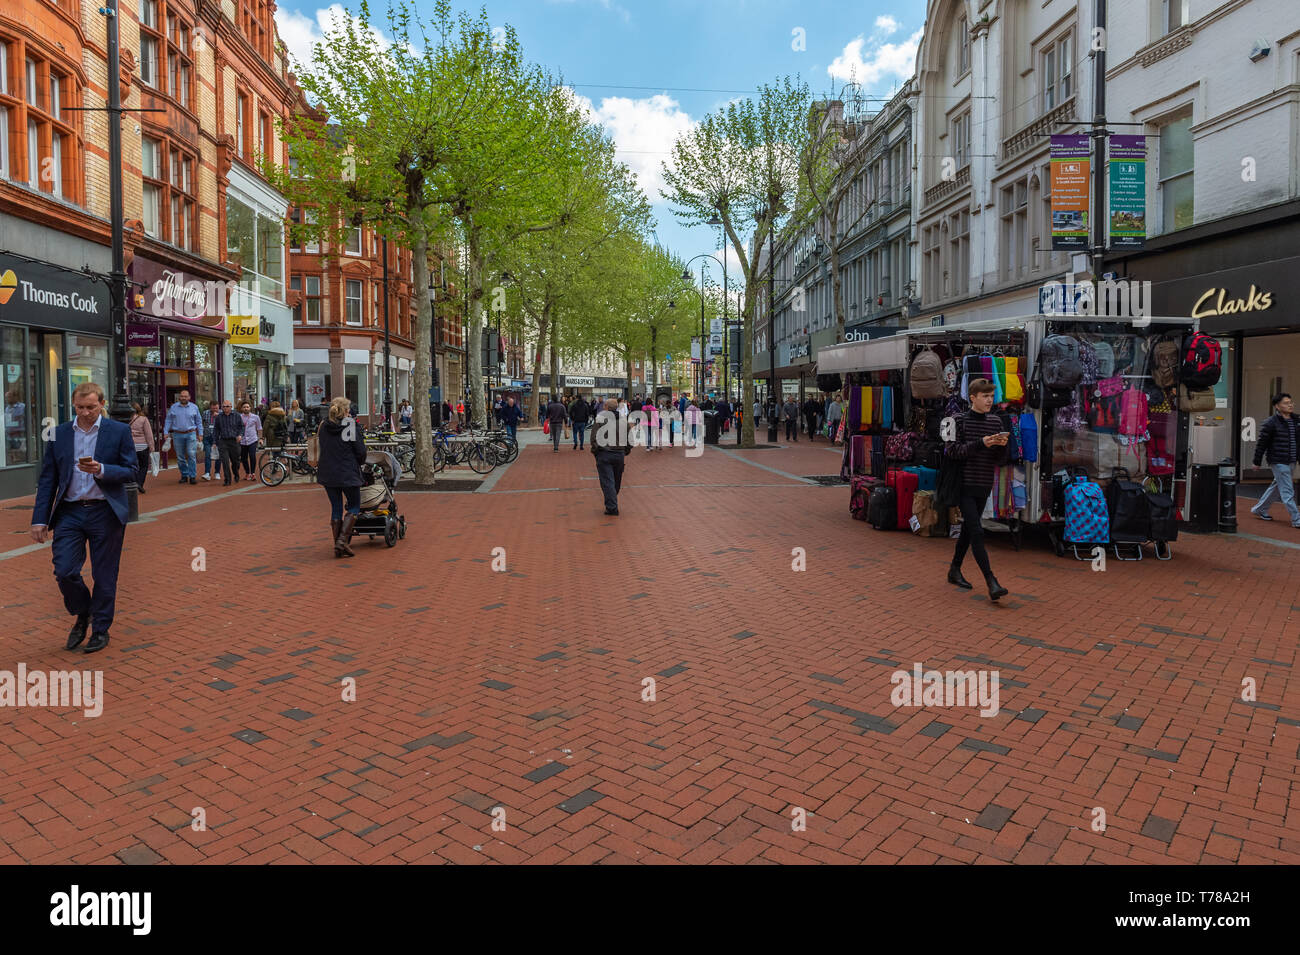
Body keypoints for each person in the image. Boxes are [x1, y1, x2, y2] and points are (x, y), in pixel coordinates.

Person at [30, 382, 137, 654]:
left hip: (105, 511)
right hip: (70, 512)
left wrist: (102, 469)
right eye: (80, 407)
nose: (86, 412)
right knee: (65, 571)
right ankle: (83, 612)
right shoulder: (59, 434)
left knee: (104, 575)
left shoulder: (119, 431)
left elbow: (132, 470)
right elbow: (47, 480)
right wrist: (39, 518)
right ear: (73, 405)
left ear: (102, 404)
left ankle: (100, 630)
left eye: (91, 407)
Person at [945, 378, 1010, 600]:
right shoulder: (957, 420)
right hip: (963, 483)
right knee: (977, 531)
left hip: (984, 483)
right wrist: (982, 443)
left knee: (968, 529)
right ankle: (991, 581)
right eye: (985, 396)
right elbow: (952, 451)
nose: (989, 400)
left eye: (991, 396)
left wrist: (1002, 446)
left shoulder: (996, 422)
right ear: (972, 398)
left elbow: (1000, 460)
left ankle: (954, 569)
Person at [316, 396, 367, 558]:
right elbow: (360, 452)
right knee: (353, 506)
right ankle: (342, 542)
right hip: (347, 472)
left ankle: (338, 543)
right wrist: (359, 463)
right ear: (346, 410)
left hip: (328, 472)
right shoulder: (350, 425)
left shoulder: (323, 426)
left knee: (336, 507)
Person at [1250, 392, 1300, 527]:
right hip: (1278, 461)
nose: (1290, 405)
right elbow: (1262, 444)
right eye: (1286, 403)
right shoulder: (1270, 423)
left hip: (1291, 461)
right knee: (1288, 491)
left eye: (1291, 402)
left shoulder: (1297, 420)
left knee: (1277, 486)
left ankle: (1259, 509)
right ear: (1277, 406)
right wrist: (1256, 461)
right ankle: (1297, 519)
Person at [590, 397, 632, 515]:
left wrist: (596, 451)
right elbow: (630, 439)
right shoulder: (623, 421)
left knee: (608, 481)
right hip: (619, 454)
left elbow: (594, 438)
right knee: (615, 481)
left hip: (604, 453)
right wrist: (626, 451)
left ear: (606, 408)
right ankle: (611, 502)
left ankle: (612, 507)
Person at [163, 389, 202, 484]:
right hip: (177, 434)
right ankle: (184, 475)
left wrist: (200, 433)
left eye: (185, 396)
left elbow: (199, 421)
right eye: (182, 396)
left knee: (191, 454)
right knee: (180, 456)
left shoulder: (194, 407)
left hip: (191, 433)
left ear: (189, 397)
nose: (183, 398)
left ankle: (192, 476)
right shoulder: (173, 407)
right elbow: (168, 420)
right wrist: (165, 431)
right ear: (179, 397)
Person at [213, 399, 244, 485]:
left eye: (227, 406)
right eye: (223, 406)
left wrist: (240, 435)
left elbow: (241, 427)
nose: (225, 408)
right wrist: (215, 442)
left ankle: (236, 474)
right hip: (223, 442)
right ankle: (227, 479)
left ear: (231, 407)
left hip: (234, 441)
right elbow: (216, 430)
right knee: (225, 461)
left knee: (235, 462)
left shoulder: (237, 415)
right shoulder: (219, 417)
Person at [129, 402, 154, 494]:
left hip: (131, 446)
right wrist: (151, 446)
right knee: (143, 466)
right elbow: (149, 434)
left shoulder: (126, 419)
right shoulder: (143, 419)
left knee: (133, 466)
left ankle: (133, 481)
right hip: (142, 446)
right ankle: (139, 483)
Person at [237, 401, 262, 481]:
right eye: (244, 407)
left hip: (252, 439)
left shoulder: (255, 417)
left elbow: (259, 428)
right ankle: (247, 473)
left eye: (247, 407)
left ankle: (253, 473)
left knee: (252, 456)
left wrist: (260, 438)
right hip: (243, 440)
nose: (246, 408)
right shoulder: (239, 417)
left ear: (250, 408)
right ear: (241, 408)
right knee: (243, 458)